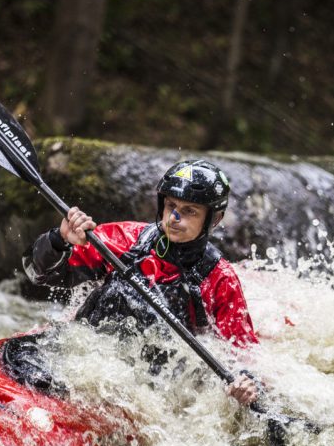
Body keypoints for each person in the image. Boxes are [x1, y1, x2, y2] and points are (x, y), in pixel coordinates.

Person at [23, 159, 259, 406]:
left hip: (158, 388)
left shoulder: (221, 279)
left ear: (215, 219)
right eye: (171, 205)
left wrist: (246, 382)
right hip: (89, 358)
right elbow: (37, 273)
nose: (175, 217)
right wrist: (59, 241)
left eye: (190, 211)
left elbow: (242, 356)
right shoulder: (124, 239)